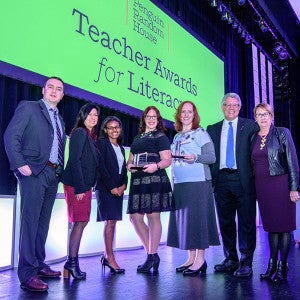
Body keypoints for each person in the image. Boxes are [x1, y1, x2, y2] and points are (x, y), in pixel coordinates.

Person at [4, 76, 66, 292]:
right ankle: (27, 273)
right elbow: (11, 136)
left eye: (59, 89)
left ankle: (38, 264)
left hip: (52, 174)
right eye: (50, 87)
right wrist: (20, 164)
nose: (54, 91)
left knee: (42, 223)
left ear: (62, 95)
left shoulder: (60, 119)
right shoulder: (29, 108)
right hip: (33, 173)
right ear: (43, 90)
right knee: (30, 223)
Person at [207, 92, 258, 278]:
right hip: (221, 181)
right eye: (228, 104)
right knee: (225, 222)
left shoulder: (251, 126)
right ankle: (231, 259)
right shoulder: (212, 129)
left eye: (235, 105)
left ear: (240, 107)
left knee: (246, 223)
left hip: (243, 181)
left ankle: (246, 262)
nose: (231, 108)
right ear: (222, 107)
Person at [167, 101, 220, 276]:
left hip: (198, 184)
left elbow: (211, 157)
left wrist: (195, 157)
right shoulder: (176, 137)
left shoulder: (201, 133)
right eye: (183, 112)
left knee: (198, 221)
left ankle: (200, 260)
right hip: (181, 185)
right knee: (187, 223)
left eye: (190, 112)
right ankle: (190, 259)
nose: (186, 115)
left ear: (194, 114)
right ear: (179, 115)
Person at [250, 102, 300, 282]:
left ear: (271, 116)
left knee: (284, 228)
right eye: (259, 114)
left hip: (281, 185)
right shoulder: (252, 137)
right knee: (271, 227)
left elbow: (292, 161)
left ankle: (282, 267)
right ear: (255, 118)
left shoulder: (282, 133)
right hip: (263, 188)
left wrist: (294, 187)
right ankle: (271, 264)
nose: (262, 117)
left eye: (266, 114)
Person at [127, 106, 174, 273]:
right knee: (135, 218)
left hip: (155, 180)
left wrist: (156, 166)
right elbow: (130, 160)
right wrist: (130, 166)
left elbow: (167, 160)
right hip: (138, 182)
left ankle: (151, 255)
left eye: (155, 116)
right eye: (149, 116)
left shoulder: (161, 136)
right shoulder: (137, 137)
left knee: (153, 217)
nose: (152, 119)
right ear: (144, 118)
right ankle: (152, 254)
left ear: (158, 119)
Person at [61, 103, 100, 280]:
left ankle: (72, 262)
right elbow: (74, 161)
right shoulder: (79, 133)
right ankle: (71, 262)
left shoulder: (90, 135)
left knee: (81, 222)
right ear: (82, 115)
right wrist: (79, 187)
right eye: (90, 114)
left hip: (84, 186)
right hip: (78, 186)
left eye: (96, 115)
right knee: (79, 222)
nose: (93, 117)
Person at [95, 116, 128, 274]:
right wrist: (112, 187)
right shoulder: (101, 143)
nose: (114, 130)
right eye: (111, 127)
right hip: (106, 189)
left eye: (117, 127)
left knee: (113, 222)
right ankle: (110, 258)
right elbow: (101, 167)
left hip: (118, 190)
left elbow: (124, 169)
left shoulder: (120, 147)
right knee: (110, 222)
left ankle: (106, 255)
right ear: (105, 130)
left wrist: (124, 185)